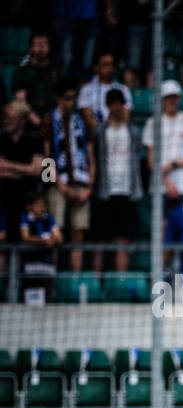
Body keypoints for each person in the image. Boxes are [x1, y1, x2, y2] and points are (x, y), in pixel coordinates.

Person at [91, 88, 139, 274]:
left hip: (127, 191)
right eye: (114, 104)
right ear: (108, 106)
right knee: (99, 241)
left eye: (120, 103)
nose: (117, 107)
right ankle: (97, 285)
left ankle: (121, 284)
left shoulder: (132, 130)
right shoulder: (100, 131)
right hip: (104, 192)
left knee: (123, 240)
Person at [48, 82, 94, 272]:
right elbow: (46, 159)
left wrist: (90, 186)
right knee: (55, 233)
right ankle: (53, 280)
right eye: (67, 98)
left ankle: (75, 281)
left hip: (82, 182)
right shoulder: (48, 121)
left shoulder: (82, 121)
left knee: (78, 233)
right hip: (57, 184)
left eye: (74, 98)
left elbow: (92, 156)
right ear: (59, 99)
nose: (71, 102)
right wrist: (60, 185)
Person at [143, 80, 183, 218]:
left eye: (174, 97)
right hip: (159, 187)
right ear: (162, 99)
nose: (171, 100)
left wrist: (173, 165)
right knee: (161, 228)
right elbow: (151, 161)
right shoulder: (152, 123)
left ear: (179, 98)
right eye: (168, 97)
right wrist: (167, 183)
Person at [0, 102, 46, 253]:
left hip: (27, 201)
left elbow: (38, 170)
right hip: (4, 199)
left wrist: (8, 165)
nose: (6, 121)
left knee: (27, 241)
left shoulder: (34, 140)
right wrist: (25, 169)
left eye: (11, 119)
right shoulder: (1, 140)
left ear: (22, 121)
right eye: (5, 118)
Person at [11, 32, 62, 122]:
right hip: (29, 120)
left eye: (45, 43)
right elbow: (20, 101)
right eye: (38, 44)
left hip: (54, 120)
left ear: (50, 47)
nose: (41, 47)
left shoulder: (57, 71)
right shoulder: (22, 72)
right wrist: (39, 123)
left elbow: (63, 98)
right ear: (31, 48)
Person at [20, 191, 60, 302]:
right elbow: (26, 237)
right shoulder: (25, 218)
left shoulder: (49, 218)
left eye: (43, 204)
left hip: (47, 266)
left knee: (47, 301)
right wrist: (43, 240)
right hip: (31, 267)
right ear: (29, 206)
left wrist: (53, 240)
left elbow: (59, 237)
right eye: (38, 204)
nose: (41, 207)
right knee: (31, 301)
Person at [78, 51, 131, 135]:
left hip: (118, 135)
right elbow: (88, 121)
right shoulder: (86, 90)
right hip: (96, 137)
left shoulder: (124, 90)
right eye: (105, 65)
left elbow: (126, 118)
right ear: (96, 68)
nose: (109, 68)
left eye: (112, 64)